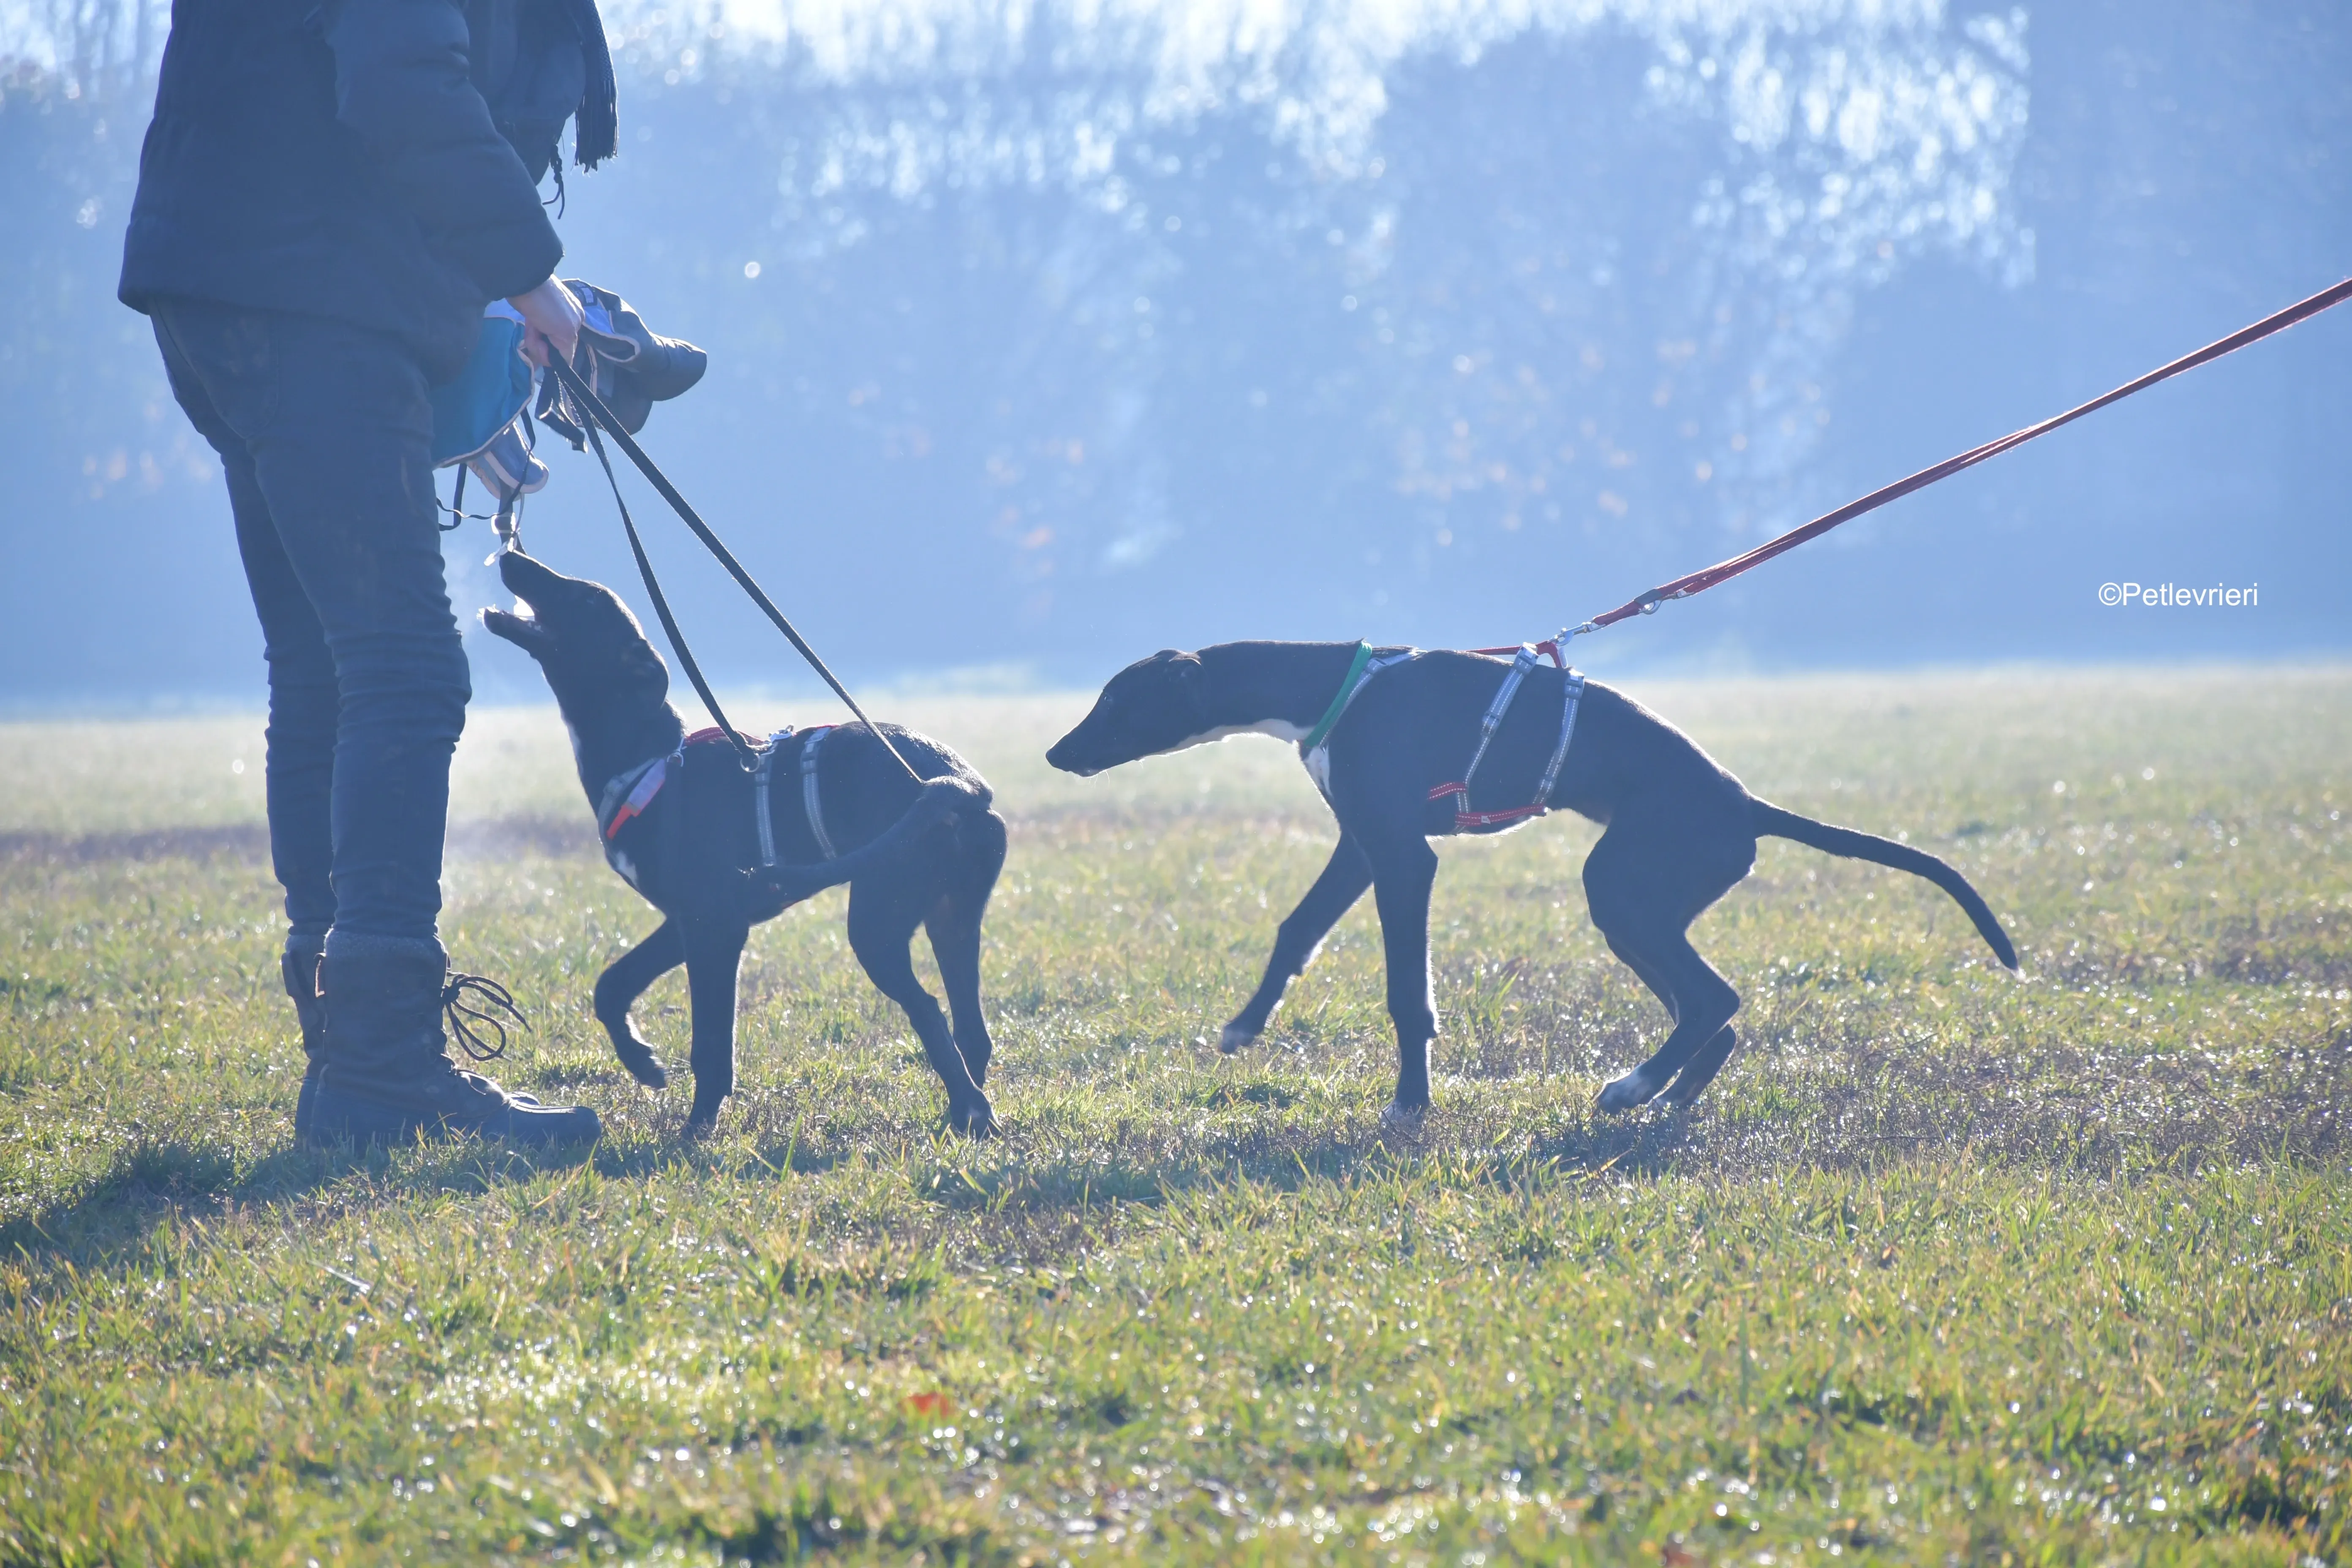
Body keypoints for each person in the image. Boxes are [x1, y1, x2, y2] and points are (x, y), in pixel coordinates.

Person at [117, 0, 622, 1146]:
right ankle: (379, 1068)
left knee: (326, 674)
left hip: (242, 285)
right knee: (405, 674)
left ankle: (349, 1056)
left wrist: (467, 342)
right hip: (308, 300)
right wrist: (533, 285)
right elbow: (401, 88)